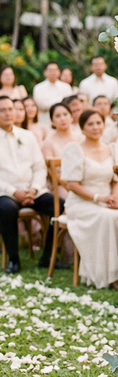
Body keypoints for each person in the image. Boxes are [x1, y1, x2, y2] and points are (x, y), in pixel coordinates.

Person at [61, 109, 118, 289]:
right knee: (106, 219)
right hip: (82, 202)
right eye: (90, 124)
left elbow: (116, 180)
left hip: (108, 200)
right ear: (82, 128)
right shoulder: (74, 149)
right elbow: (72, 184)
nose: (95, 127)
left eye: (98, 123)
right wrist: (99, 198)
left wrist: (114, 197)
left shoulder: (110, 148)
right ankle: (109, 274)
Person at [0, 96, 62, 274]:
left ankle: (48, 256)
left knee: (60, 206)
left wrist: (34, 189)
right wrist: (14, 191)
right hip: (5, 192)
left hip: (32, 190)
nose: (8, 113)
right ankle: (13, 259)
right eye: (2, 110)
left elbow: (39, 167)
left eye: (10, 109)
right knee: (6, 209)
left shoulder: (27, 136)